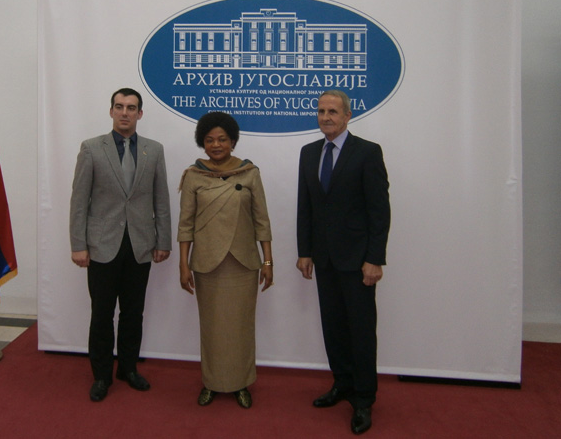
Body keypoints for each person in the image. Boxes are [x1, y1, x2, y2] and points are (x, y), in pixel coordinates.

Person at [296, 90, 390, 435]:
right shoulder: (309, 152)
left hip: (357, 261)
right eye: (321, 111)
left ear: (348, 115)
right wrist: (304, 251)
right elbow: (305, 205)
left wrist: (374, 259)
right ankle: (342, 383)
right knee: (333, 327)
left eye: (333, 111)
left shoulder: (367, 152)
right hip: (323, 259)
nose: (326, 117)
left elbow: (379, 211)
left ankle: (363, 398)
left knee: (361, 331)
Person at [69, 87, 171, 402]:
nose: (124, 112)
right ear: (111, 111)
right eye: (119, 106)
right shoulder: (91, 148)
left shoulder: (154, 150)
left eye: (131, 107)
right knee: (101, 314)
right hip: (102, 245)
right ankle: (102, 375)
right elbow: (79, 201)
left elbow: (161, 199)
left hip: (140, 245)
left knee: (133, 312)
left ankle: (128, 368)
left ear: (140, 113)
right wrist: (78, 244)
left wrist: (163, 240)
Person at [177, 111, 273, 409]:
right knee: (212, 327)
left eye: (222, 139)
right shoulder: (194, 175)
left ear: (232, 141)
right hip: (207, 263)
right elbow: (185, 224)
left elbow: (262, 220)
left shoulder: (249, 173)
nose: (216, 145)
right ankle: (212, 383)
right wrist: (183, 264)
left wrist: (268, 262)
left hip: (243, 263)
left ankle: (241, 383)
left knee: (241, 326)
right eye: (209, 140)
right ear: (202, 143)